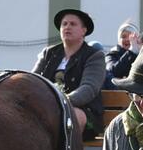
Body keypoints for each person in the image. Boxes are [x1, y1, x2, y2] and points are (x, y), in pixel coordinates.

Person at [33, 8, 105, 140]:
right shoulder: (48, 53)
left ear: (84, 31)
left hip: (83, 111)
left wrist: (62, 101)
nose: (67, 27)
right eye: (64, 24)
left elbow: (89, 88)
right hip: (47, 109)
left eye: (73, 24)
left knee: (72, 116)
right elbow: (32, 81)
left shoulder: (94, 55)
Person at [104, 21, 140, 89]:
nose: (127, 39)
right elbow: (113, 71)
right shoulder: (112, 54)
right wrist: (130, 52)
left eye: (130, 37)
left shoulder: (141, 55)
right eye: (123, 36)